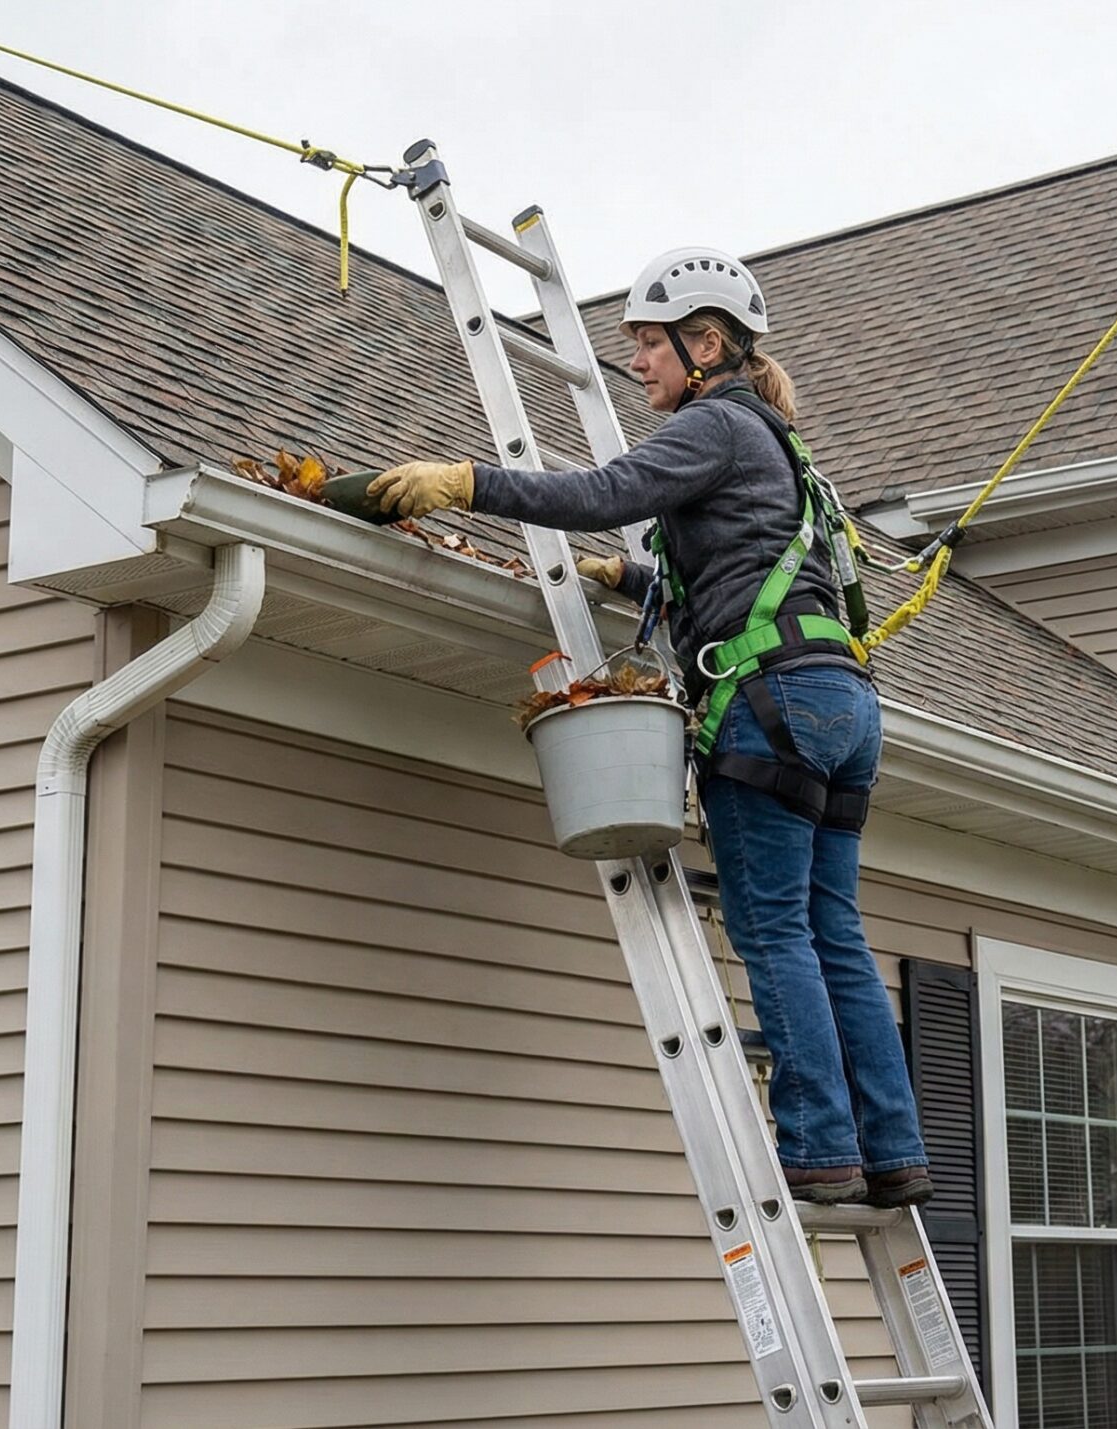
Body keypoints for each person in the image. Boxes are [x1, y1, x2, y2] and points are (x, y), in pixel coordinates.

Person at [367, 248, 930, 1208]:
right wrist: (632, 581)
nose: (637, 360)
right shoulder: (779, 448)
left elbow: (603, 495)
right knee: (833, 931)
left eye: (649, 342)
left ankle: (823, 1151)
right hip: (842, 705)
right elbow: (750, 575)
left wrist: (469, 480)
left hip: (770, 705)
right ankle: (893, 1150)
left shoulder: (716, 423)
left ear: (706, 343)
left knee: (773, 930)